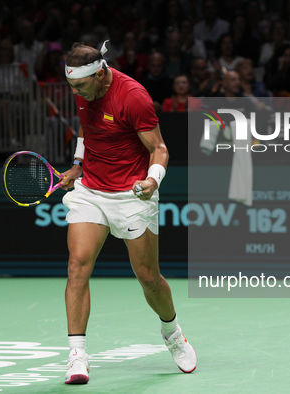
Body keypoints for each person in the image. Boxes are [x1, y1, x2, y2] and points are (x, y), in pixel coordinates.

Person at [59, 41, 197, 385]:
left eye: (79, 86)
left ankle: (173, 333)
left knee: (149, 278)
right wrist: (77, 164)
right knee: (77, 265)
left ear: (101, 74)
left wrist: (152, 180)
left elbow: (159, 148)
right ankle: (77, 355)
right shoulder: (83, 90)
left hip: (132, 193)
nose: (75, 92)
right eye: (72, 86)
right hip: (91, 190)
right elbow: (85, 128)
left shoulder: (133, 96)